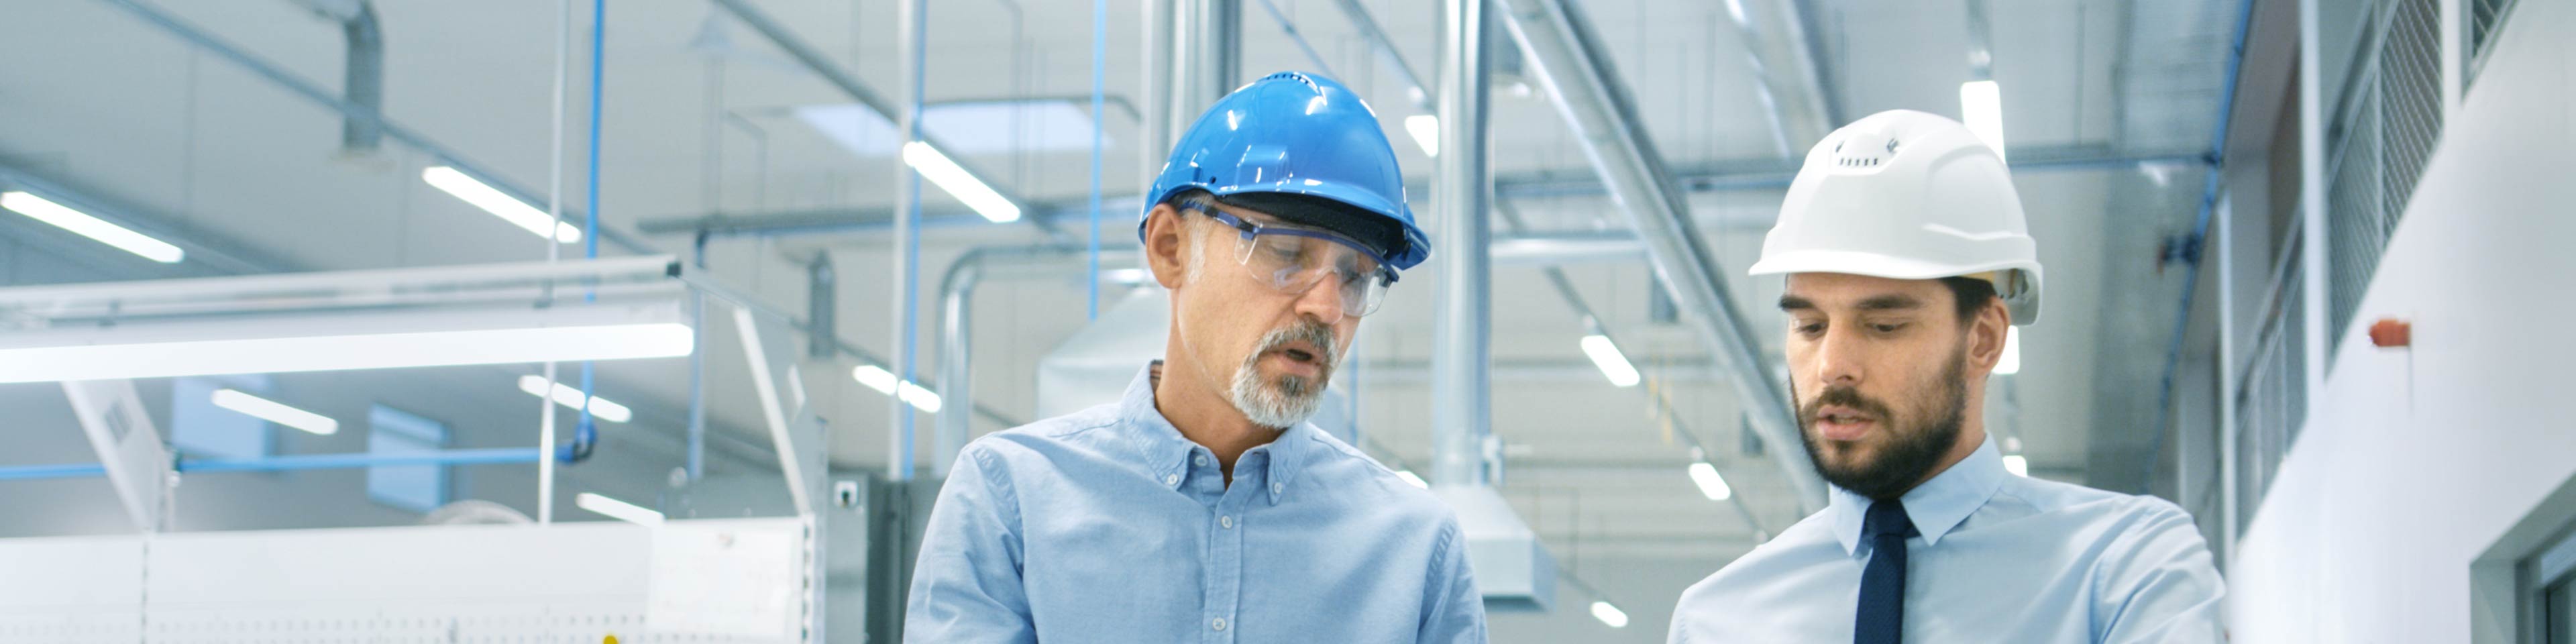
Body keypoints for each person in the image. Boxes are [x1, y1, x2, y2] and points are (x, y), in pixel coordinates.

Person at [903, 71, 1485, 644]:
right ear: (1170, 248)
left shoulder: (1416, 552)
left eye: (1358, 276)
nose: (1328, 306)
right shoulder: (1011, 500)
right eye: (1284, 251)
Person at [1666, 110, 2226, 643]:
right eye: (1810, 326)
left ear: (1983, 340)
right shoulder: (1715, 619)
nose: (1832, 365)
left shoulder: (2124, 566)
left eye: (1884, 326)